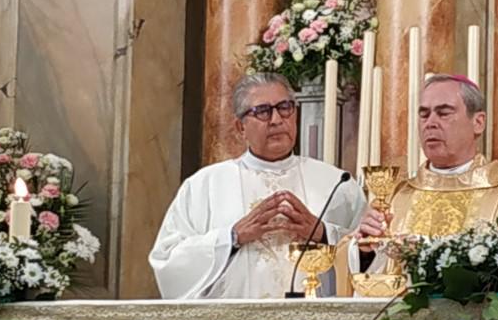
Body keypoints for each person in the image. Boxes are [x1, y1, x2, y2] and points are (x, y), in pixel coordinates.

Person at [150, 73, 366, 299]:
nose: (276, 120)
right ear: (240, 127)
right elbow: (168, 262)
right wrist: (231, 238)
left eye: (284, 107)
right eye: (263, 111)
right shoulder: (205, 186)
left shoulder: (337, 184)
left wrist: (322, 233)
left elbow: (371, 257)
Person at [338, 75, 498, 291]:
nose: (430, 123)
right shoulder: (397, 194)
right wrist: (364, 251)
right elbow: (354, 264)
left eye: (444, 113)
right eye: (424, 114)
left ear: (478, 122)